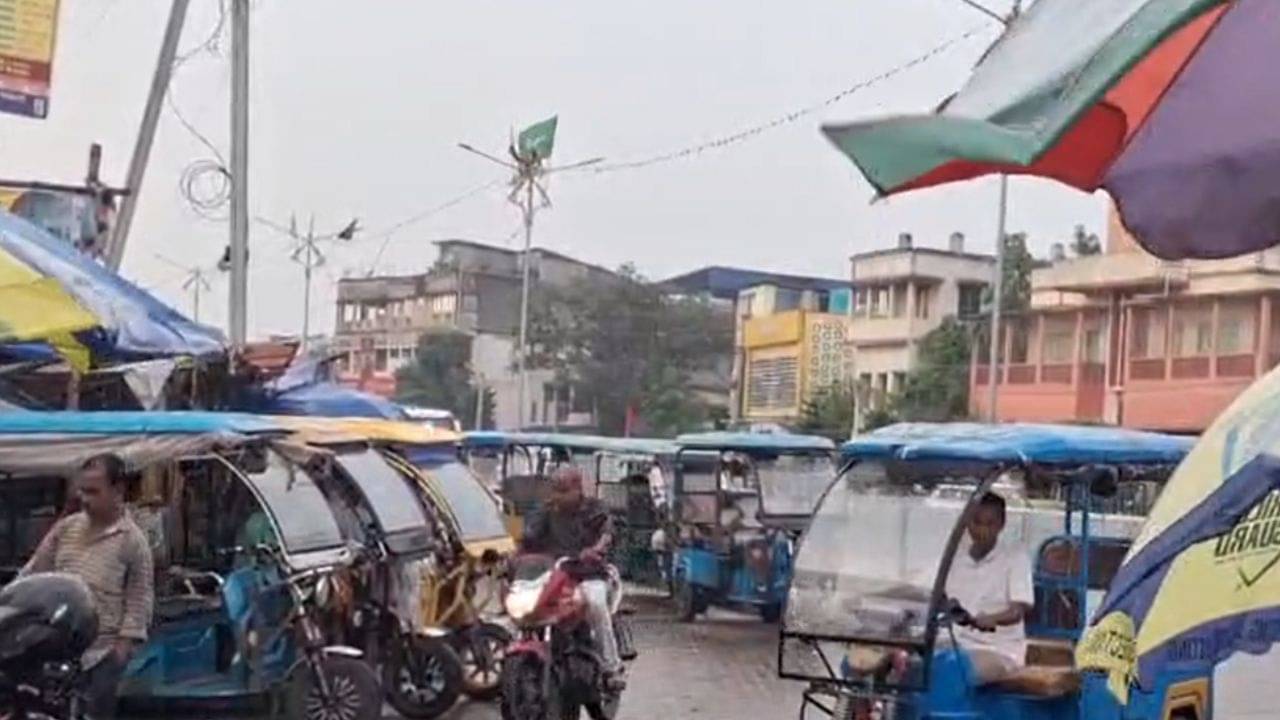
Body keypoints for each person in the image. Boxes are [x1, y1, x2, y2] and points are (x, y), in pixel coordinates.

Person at [22, 455, 155, 719]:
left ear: (118, 491)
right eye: (82, 490)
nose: (84, 498)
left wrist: (121, 648)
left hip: (100, 655)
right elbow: (32, 574)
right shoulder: (66, 529)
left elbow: (139, 599)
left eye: (93, 491)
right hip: (55, 650)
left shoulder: (133, 541)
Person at [522, 466, 625, 689]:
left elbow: (607, 533)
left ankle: (611, 666)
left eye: (563, 490)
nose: (557, 496)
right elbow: (528, 537)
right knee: (525, 603)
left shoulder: (595, 509)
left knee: (595, 603)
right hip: (555, 576)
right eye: (554, 490)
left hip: (588, 575)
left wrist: (595, 549)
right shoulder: (546, 511)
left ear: (577, 489)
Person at [944, 492, 1034, 684]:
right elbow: (930, 591)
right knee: (906, 662)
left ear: (1001, 525)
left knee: (958, 670)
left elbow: (1017, 611)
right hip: (955, 642)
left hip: (998, 651)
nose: (982, 530)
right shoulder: (954, 556)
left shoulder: (1015, 557)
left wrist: (991, 619)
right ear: (967, 522)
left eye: (989, 524)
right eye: (977, 522)